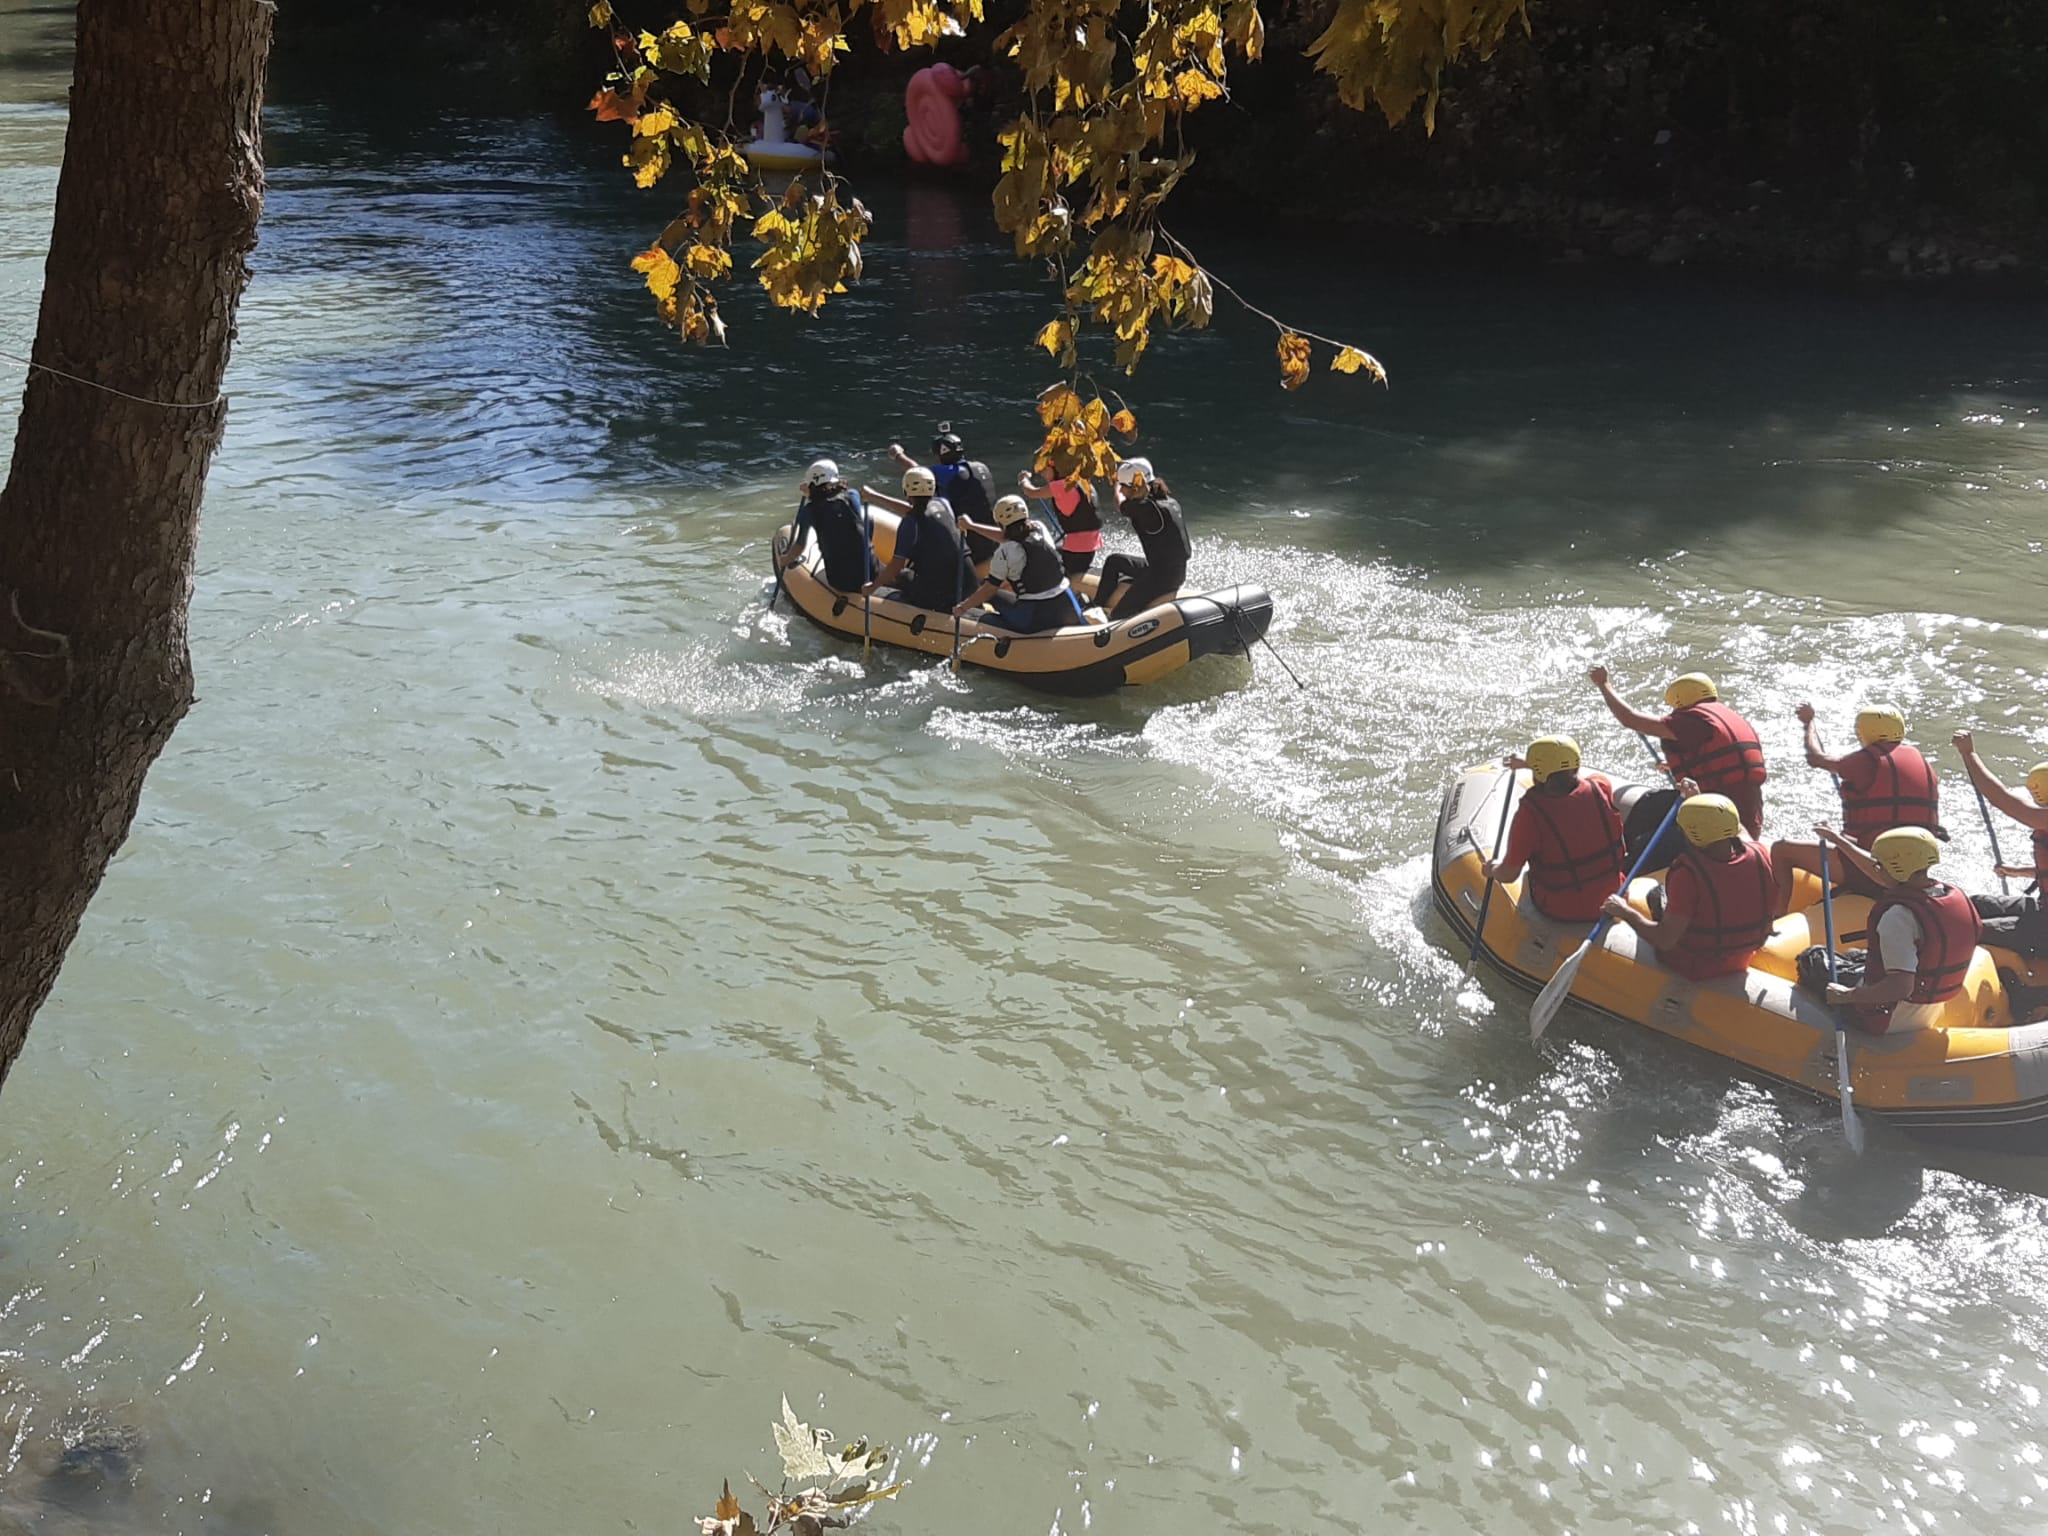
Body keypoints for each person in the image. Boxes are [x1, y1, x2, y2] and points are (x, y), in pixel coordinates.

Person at [1769, 703, 1942, 914]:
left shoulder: (1867, 761)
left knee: (1782, 849)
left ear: (1865, 731)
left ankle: (1775, 918)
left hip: (1871, 870)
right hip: (1915, 869)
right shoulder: (1922, 763)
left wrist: (1809, 723)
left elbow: (1816, 758)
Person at [1812, 825, 1982, 1034]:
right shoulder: (1949, 895)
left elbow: (1900, 987)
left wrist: (1847, 995)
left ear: (1895, 868)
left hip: (1889, 1017)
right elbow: (1884, 874)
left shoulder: (1898, 917)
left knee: (1813, 958)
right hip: (1930, 1011)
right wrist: (1839, 841)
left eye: (1879, 865)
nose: (1876, 869)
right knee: (1854, 955)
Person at [1602, 792, 1776, 982]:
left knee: (1655, 895)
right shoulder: (1760, 852)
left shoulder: (1688, 874)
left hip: (1695, 964)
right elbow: (1742, 833)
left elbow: (1665, 940)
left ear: (1691, 833)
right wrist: (1702, 800)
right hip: (1742, 958)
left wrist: (1625, 912)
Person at [1588, 667, 1767, 838]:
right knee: (1657, 803)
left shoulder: (1693, 721)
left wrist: (1604, 684)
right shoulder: (1725, 717)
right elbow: (1720, 759)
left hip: (1717, 816)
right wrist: (1677, 766)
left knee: (1647, 810)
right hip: (1747, 818)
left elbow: (1631, 719)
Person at [1480, 736, 1626, 923]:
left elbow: (1508, 875)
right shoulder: (1601, 785)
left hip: (1561, 908)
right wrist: (1529, 764)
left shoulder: (1531, 814)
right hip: (1614, 898)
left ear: (1538, 771)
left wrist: (1492, 869)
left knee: (1527, 877)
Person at [1950, 732, 2048, 956]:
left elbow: (2001, 798)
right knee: (1975, 904)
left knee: (1970, 929)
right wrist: (2016, 872)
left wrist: (1969, 754)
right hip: (2042, 910)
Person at [952, 495, 1082, 633]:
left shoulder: (1005, 552)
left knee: (990, 592)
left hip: (1035, 617)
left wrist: (963, 608)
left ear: (1000, 523)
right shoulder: (1040, 528)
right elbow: (1008, 535)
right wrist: (972, 526)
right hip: (1067, 604)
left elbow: (989, 589)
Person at [862, 466, 974, 614]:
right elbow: (917, 510)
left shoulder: (910, 523)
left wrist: (872, 587)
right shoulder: (943, 504)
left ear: (905, 491)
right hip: (969, 585)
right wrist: (875, 496)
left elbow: (896, 566)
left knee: (902, 576)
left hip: (943, 596)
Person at [1093, 458, 1190, 621]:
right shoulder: (1168, 501)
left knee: (1120, 614)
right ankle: (1097, 606)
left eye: (1124, 486)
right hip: (1168, 569)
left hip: (1163, 577)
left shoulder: (1146, 508)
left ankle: (1114, 619)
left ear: (1136, 487)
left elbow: (1119, 503)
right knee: (1114, 561)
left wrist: (1115, 483)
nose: (1122, 490)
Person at [777, 458, 872, 593]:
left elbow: (800, 546)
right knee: (869, 521)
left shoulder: (808, 511)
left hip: (840, 581)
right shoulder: (852, 495)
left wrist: (784, 560)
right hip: (871, 572)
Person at [889, 425, 995, 527]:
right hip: (989, 527)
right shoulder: (980, 466)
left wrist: (898, 455)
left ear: (940, 455)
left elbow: (918, 472)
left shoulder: (946, 471)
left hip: (966, 532)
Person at [1017, 469, 1103, 581]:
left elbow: (1031, 492)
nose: (1042, 473)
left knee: (1040, 563)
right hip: (1090, 545)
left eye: (1044, 469)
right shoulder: (1079, 479)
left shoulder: (1061, 485)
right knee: (1051, 551)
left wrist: (1023, 479)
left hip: (1077, 550)